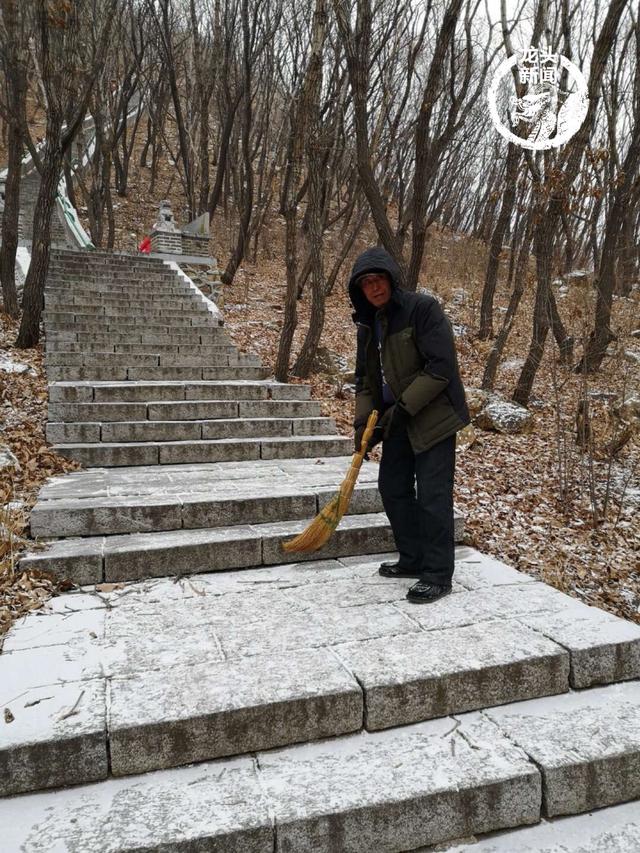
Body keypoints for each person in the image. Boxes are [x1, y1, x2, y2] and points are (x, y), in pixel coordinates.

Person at [348, 247, 470, 604]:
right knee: (393, 488)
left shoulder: (422, 310)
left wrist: (400, 410)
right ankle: (413, 558)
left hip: (434, 418)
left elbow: (440, 368)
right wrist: (363, 426)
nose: (374, 288)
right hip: (396, 419)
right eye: (366, 283)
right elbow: (366, 381)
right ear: (360, 291)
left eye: (378, 279)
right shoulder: (368, 326)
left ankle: (437, 573)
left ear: (390, 278)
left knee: (433, 496)